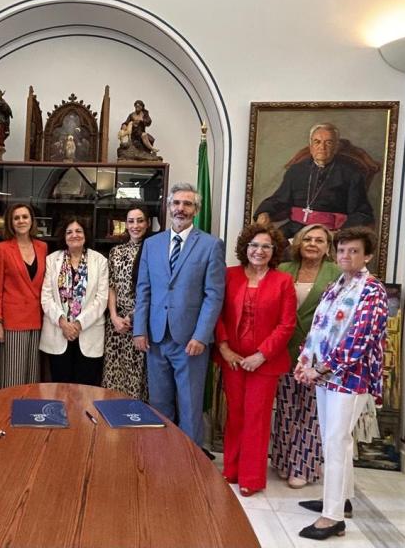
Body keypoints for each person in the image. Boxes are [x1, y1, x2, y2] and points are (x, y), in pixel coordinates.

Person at [294, 226, 387, 541]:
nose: (346, 255)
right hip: (323, 374)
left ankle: (331, 517)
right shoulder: (337, 285)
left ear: (367, 255)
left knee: (336, 440)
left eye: (354, 251)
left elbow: (359, 340)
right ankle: (341, 499)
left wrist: (320, 368)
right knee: (334, 439)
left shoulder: (372, 290)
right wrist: (304, 361)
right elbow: (319, 327)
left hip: (351, 377)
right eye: (343, 250)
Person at [134, 182, 225, 447]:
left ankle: (190, 464)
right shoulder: (152, 244)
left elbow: (213, 295)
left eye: (187, 204)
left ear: (195, 210)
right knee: (159, 404)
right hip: (156, 338)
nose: (180, 209)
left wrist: (201, 335)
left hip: (190, 342)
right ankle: (162, 457)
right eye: (176, 203)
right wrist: (140, 329)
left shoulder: (210, 246)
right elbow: (144, 289)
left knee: (189, 404)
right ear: (168, 207)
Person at [214, 223, 296, 497]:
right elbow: (217, 313)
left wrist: (262, 355)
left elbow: (287, 325)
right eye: (254, 245)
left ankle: (251, 477)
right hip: (233, 360)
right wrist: (224, 348)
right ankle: (232, 469)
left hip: (265, 363)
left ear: (273, 251)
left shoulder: (282, 281)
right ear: (245, 248)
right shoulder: (229, 275)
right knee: (235, 415)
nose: (258, 251)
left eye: (265, 246)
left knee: (256, 418)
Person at [271, 223, 341, 489]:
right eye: (308, 239)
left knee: (311, 413)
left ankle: (304, 466)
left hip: (319, 355)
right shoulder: (283, 270)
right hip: (285, 350)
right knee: (286, 409)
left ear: (327, 247)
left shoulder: (336, 274)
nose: (312, 244)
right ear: (299, 243)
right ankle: (282, 460)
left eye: (319, 240)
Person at [254, 123, 374, 238]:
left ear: (336, 146)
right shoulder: (296, 171)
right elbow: (280, 199)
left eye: (328, 142)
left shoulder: (351, 174)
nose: (322, 147)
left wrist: (340, 233)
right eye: (317, 142)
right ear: (311, 145)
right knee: (272, 248)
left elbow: (362, 213)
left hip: (329, 232)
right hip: (295, 229)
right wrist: (264, 212)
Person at [40, 217, 109, 385]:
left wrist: (78, 324)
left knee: (85, 389)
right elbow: (46, 297)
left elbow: (101, 299)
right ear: (63, 236)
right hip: (58, 332)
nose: (74, 235)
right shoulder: (52, 260)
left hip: (88, 333)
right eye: (69, 232)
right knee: (59, 386)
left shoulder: (100, 261)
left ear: (85, 235)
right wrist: (63, 323)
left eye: (78, 231)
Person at [0, 203, 47, 387]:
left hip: (37, 319)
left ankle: (29, 415)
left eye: (25, 217)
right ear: (10, 223)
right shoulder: (2, 248)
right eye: (16, 218)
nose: (21, 221)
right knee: (13, 377)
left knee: (33, 377)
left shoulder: (42, 247)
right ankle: (8, 414)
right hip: (13, 320)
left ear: (32, 221)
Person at [101, 207, 150, 400]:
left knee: (137, 377)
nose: (135, 226)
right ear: (126, 224)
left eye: (140, 221)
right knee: (113, 376)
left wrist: (132, 316)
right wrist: (114, 316)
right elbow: (111, 285)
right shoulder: (116, 251)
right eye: (131, 221)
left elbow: (154, 290)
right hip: (115, 325)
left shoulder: (153, 250)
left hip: (140, 322)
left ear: (147, 223)